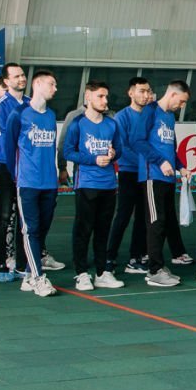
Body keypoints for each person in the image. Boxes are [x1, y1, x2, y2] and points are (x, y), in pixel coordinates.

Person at [63, 81, 126, 292]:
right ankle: (81, 273)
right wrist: (93, 159)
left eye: (106, 96)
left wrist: (113, 154)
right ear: (88, 97)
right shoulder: (77, 124)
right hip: (86, 184)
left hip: (109, 184)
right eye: (100, 96)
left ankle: (101, 272)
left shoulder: (112, 124)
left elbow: (119, 149)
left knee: (103, 230)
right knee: (83, 229)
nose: (105, 100)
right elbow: (68, 152)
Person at [135, 80, 189, 288]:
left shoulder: (170, 117)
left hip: (168, 178)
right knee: (155, 222)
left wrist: (181, 166)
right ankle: (154, 270)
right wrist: (160, 161)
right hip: (153, 177)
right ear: (173, 94)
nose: (181, 106)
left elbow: (170, 148)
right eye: (181, 101)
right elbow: (138, 141)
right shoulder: (150, 111)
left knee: (164, 222)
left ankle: (159, 265)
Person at [13, 69, 61, 297]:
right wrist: (16, 176)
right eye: (52, 84)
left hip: (49, 183)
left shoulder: (51, 115)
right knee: (30, 230)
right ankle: (38, 277)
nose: (55, 89)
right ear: (38, 84)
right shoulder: (19, 114)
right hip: (28, 183)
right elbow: (8, 147)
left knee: (41, 230)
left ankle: (29, 276)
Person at [0, 63, 27, 282]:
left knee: (25, 218)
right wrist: (12, 168)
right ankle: (1, 264)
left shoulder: (30, 103)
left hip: (27, 169)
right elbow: (0, 142)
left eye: (22, 75)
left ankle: (23, 264)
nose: (21, 79)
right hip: (6, 168)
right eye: (16, 76)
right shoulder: (0, 107)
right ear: (6, 81)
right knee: (4, 216)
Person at [110, 77, 154, 275]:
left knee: (144, 217)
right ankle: (110, 256)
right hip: (129, 172)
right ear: (131, 93)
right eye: (141, 91)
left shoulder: (151, 116)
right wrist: (147, 160)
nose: (145, 95)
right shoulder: (122, 117)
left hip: (147, 174)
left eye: (148, 91)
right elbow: (123, 148)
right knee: (123, 215)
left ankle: (137, 256)